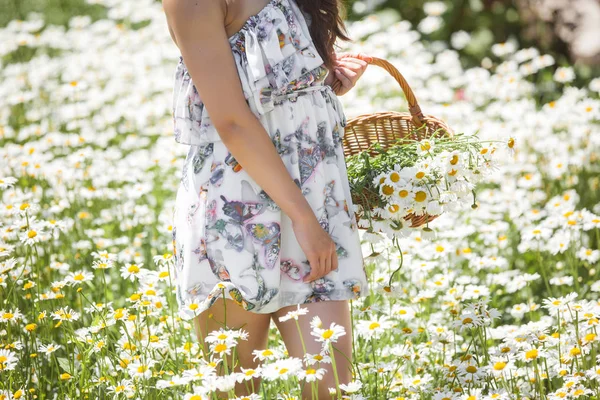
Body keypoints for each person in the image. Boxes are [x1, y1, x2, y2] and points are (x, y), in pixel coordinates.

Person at [162, 0, 371, 397]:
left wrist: (322, 76)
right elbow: (232, 121)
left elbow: (267, 86)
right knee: (236, 389)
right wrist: (304, 219)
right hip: (236, 210)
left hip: (312, 198)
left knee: (334, 388)